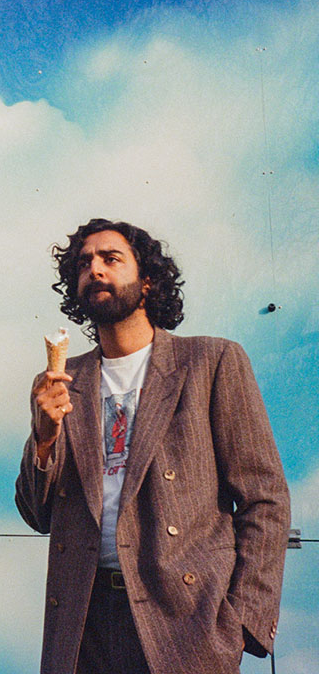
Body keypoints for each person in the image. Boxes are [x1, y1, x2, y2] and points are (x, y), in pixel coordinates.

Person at [15, 218, 290, 674]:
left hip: (184, 620)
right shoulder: (62, 381)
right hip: (83, 623)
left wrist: (241, 622)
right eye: (83, 263)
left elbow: (265, 498)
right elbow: (37, 515)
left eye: (111, 258)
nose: (94, 269)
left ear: (147, 280)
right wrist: (44, 437)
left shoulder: (211, 362)